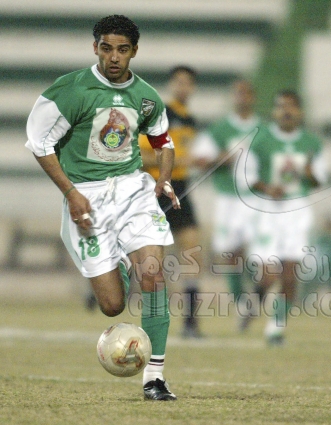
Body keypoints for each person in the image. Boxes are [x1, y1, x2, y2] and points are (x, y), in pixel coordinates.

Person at [25, 15, 177, 401]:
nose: (114, 57)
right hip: (87, 196)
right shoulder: (70, 91)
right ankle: (120, 264)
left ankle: (155, 378)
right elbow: (39, 144)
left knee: (153, 274)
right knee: (112, 306)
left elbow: (164, 142)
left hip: (132, 190)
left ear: (134, 51)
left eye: (122, 50)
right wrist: (71, 193)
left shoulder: (146, 96)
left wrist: (163, 179)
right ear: (95, 47)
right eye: (107, 48)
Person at [244, 90, 327, 345]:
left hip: (298, 210)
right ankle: (253, 302)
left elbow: (319, 180)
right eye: (281, 106)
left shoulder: (312, 142)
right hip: (268, 211)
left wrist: (310, 173)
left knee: (290, 275)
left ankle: (275, 328)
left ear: (300, 111)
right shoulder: (261, 140)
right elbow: (247, 176)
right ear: (274, 111)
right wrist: (268, 188)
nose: (286, 111)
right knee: (269, 275)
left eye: (291, 106)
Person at [192, 80, 262, 331]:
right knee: (229, 254)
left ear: (252, 97)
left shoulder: (264, 129)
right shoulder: (219, 129)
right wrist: (221, 158)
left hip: (257, 198)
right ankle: (242, 304)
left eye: (246, 93)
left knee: (259, 253)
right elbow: (199, 160)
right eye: (238, 93)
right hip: (228, 198)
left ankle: (257, 295)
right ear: (233, 97)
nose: (242, 98)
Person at [140, 65, 203, 339]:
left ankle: (190, 323)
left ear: (193, 87)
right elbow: (141, 154)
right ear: (171, 84)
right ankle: (155, 320)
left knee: (193, 252)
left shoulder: (190, 120)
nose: (183, 87)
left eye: (187, 82)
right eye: (178, 82)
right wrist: (174, 161)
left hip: (182, 187)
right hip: (158, 187)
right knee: (155, 259)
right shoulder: (161, 114)